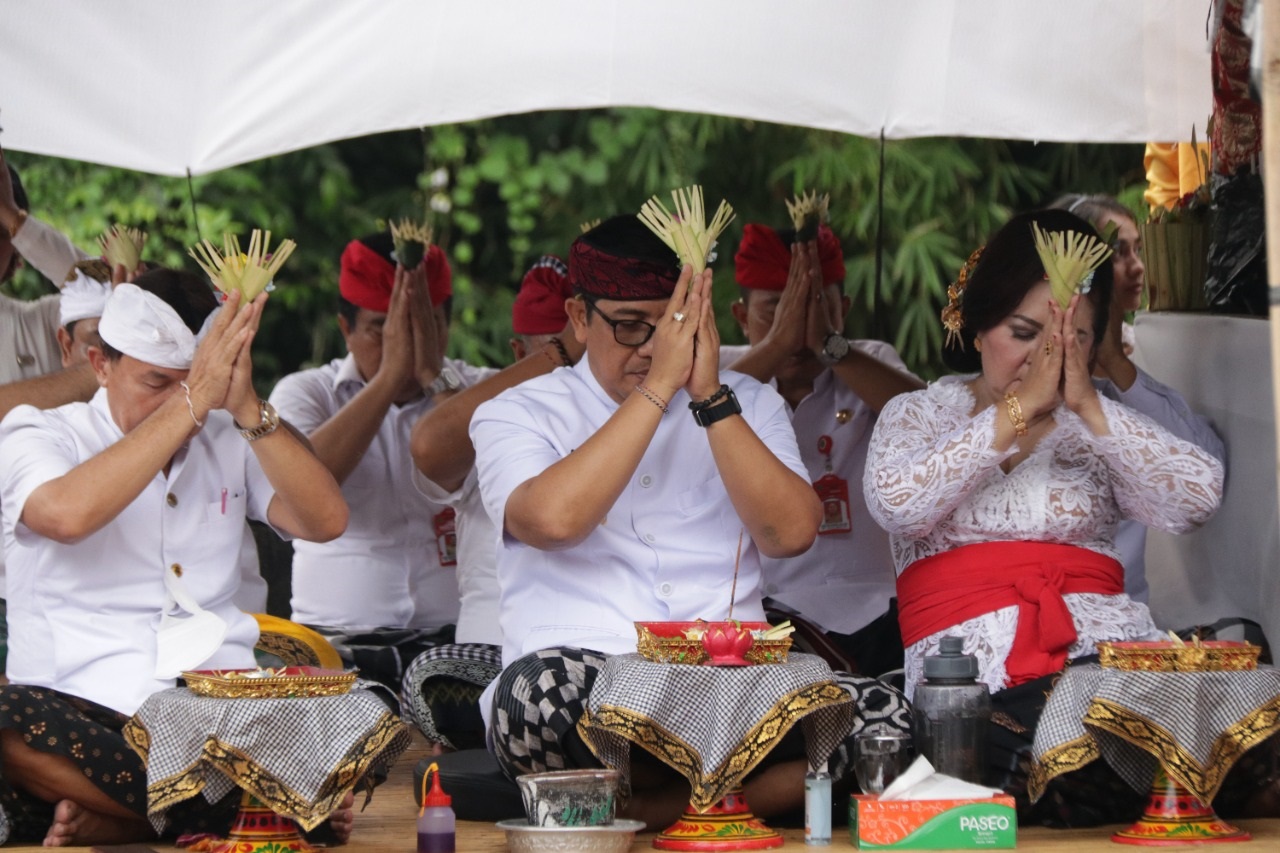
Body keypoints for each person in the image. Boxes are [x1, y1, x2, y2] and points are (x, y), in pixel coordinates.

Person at [472, 216, 911, 829]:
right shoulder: (518, 411)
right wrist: (657, 390)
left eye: (675, 325)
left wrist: (709, 399)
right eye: (631, 326)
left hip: (734, 685)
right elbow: (552, 522)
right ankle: (738, 797)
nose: (657, 348)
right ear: (578, 317)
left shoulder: (746, 401)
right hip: (593, 678)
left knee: (888, 716)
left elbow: (791, 534)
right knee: (529, 697)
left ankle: (641, 809)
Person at [861, 209, 1276, 825]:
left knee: (1245, 706)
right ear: (978, 327)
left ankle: (1176, 783)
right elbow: (898, 504)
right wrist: (1018, 412)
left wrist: (1089, 406)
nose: (1047, 356)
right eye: (1024, 332)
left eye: (1074, 337)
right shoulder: (920, 414)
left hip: (1116, 671)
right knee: (1041, 748)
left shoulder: (1095, 421)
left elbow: (1197, 500)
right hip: (978, 691)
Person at [0, 269, 349, 845]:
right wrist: (191, 402)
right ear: (100, 365)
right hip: (82, 711)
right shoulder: (38, 431)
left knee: (344, 708)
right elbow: (64, 515)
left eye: (193, 382)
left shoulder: (229, 432)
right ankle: (251, 809)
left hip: (218, 716)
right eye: (157, 381)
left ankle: (130, 819)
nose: (186, 401)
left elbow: (326, 521)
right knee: (6, 723)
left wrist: (246, 407)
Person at [269, 233, 494, 693]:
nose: (403, 345)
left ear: (446, 326)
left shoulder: (477, 389)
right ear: (345, 328)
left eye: (423, 326)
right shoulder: (306, 393)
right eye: (382, 330)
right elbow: (300, 492)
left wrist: (434, 377)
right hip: (333, 644)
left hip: (458, 641)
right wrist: (389, 379)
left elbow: (505, 463)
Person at [724, 223, 923, 676]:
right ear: (741, 316)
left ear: (843, 311)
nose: (796, 333)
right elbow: (688, 423)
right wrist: (775, 345)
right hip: (760, 616)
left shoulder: (868, 361)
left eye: (814, 309)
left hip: (876, 612)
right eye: (776, 312)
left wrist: (832, 346)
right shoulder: (723, 374)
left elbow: (929, 418)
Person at [402, 255, 582, 751]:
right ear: (519, 354)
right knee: (433, 676)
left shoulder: (629, 411)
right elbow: (437, 442)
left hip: (593, 659)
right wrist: (564, 352)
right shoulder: (494, 413)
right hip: (491, 655)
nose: (572, 374)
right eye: (557, 354)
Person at [1049, 193, 1225, 602]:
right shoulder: (1041, 373)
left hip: (1150, 601)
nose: (1137, 266)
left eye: (1139, 250)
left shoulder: (1154, 348)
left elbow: (1206, 464)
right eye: (1118, 252)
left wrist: (1115, 360)